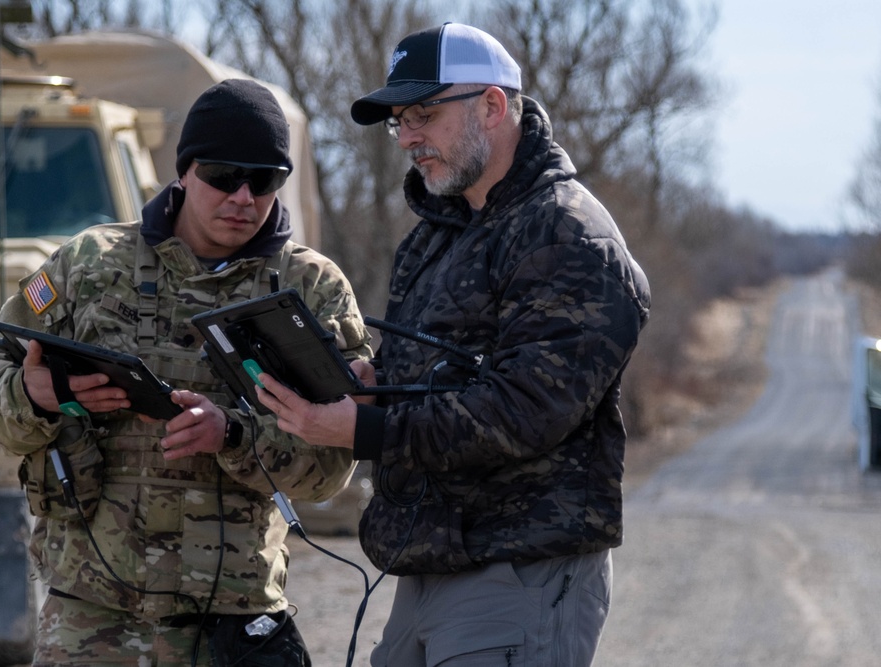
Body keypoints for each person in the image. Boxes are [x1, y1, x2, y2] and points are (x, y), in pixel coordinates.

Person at [256, 23, 650, 667]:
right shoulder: (439, 233)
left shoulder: (567, 235)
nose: (408, 136)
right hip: (433, 566)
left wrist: (366, 430)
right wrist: (368, 380)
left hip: (520, 571)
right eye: (400, 120)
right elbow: (444, 374)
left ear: (493, 107)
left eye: (425, 114)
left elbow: (526, 410)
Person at [0, 79, 372, 666]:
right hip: (94, 616)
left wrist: (233, 435)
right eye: (224, 175)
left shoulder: (311, 289)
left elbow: (333, 465)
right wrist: (36, 395)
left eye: (264, 181)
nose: (243, 197)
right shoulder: (88, 265)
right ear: (184, 170)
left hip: (234, 620)